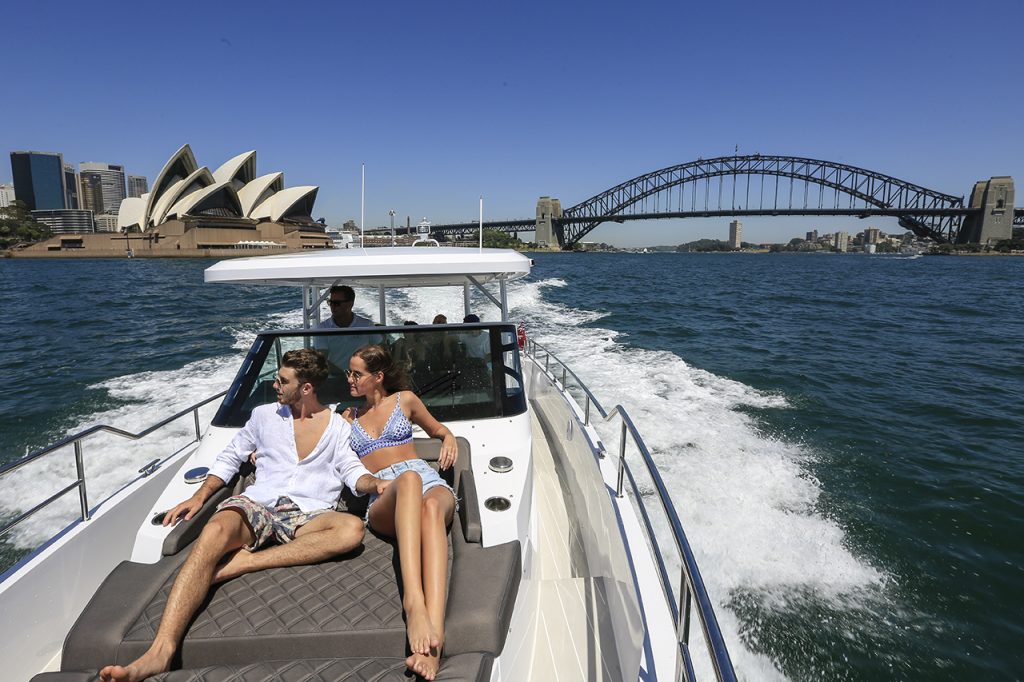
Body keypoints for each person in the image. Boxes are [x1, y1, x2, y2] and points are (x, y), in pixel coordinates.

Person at [99, 348, 384, 682]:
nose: (275, 384)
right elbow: (230, 457)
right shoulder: (263, 416)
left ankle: (245, 562)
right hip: (259, 505)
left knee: (350, 530)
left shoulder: (338, 427)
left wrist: (374, 483)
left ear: (306, 388)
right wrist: (200, 496)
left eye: (282, 380)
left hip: (309, 513)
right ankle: (160, 651)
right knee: (214, 532)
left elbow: (351, 470)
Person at [343, 344, 458, 680]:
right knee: (406, 480)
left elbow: (439, 429)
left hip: (427, 480)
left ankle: (433, 647)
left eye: (356, 374)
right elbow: (316, 447)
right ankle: (414, 603)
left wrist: (448, 438)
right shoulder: (348, 417)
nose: (349, 379)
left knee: (433, 506)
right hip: (385, 496)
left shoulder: (405, 400)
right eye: (349, 372)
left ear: (378, 377)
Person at [316, 285, 376, 376]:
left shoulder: (367, 325)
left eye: (337, 303)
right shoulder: (322, 329)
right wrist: (344, 376)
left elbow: (379, 350)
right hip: (334, 379)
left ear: (350, 304)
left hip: (362, 379)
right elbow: (322, 360)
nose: (333, 306)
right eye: (330, 302)